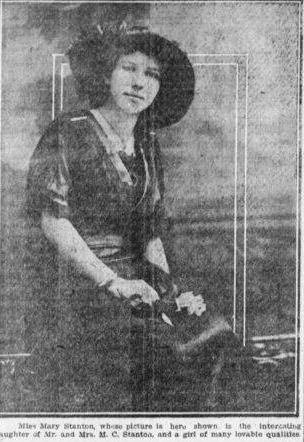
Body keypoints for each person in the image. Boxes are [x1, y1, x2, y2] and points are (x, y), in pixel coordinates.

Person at [25, 25, 235, 412]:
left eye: (151, 74)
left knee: (212, 332)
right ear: (107, 73)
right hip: (79, 281)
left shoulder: (148, 145)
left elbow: (150, 231)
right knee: (155, 350)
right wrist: (114, 283)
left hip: (138, 278)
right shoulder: (67, 133)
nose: (139, 83)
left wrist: (171, 294)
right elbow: (52, 219)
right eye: (129, 68)